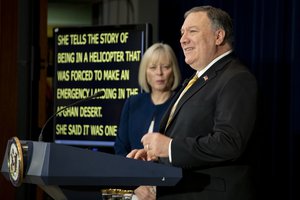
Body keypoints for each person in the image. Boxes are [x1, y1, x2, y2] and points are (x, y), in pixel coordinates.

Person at [127, 5, 258, 200]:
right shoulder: (196, 80)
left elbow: (229, 142)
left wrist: (170, 148)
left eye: (192, 31)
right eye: (182, 33)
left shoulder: (236, 78)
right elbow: (188, 136)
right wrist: (157, 155)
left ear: (218, 36)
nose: (182, 39)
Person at [114, 42, 182, 156]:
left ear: (173, 70)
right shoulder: (133, 103)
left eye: (165, 67)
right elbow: (120, 146)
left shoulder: (181, 103)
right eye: (153, 67)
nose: (159, 73)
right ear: (145, 72)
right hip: (132, 170)